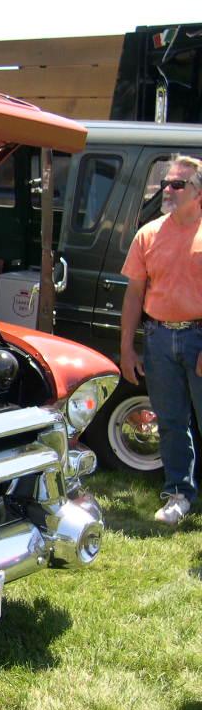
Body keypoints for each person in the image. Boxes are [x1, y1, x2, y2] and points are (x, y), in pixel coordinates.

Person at [120, 154, 202, 525]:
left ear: (198, 192)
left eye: (176, 184)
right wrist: (126, 348)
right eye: (165, 183)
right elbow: (134, 295)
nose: (166, 190)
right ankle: (178, 495)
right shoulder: (148, 234)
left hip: (198, 336)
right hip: (157, 337)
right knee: (170, 422)